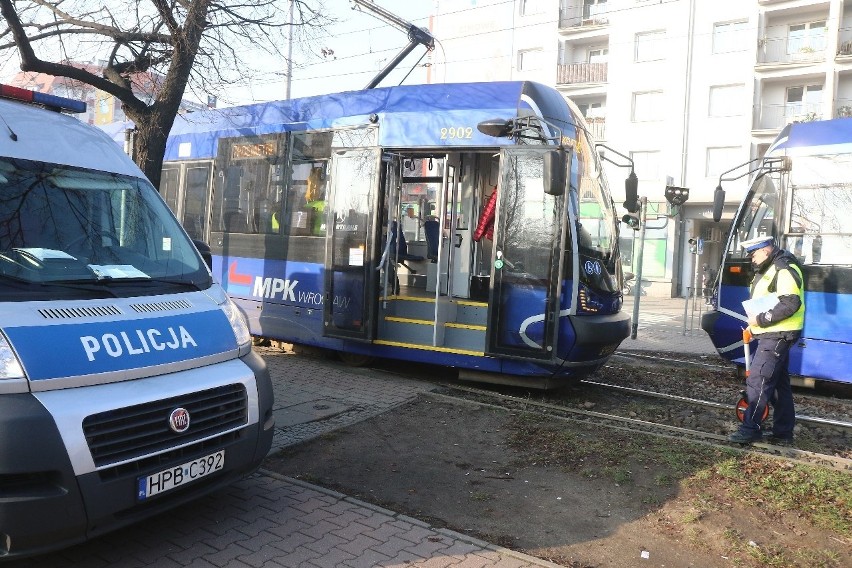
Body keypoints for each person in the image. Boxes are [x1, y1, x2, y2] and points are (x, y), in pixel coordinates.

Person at [728, 235, 805, 445]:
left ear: (766, 250)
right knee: (780, 386)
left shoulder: (783, 268)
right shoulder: (770, 268)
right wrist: (755, 326)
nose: (752, 259)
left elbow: (791, 303)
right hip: (774, 332)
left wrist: (761, 320)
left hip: (778, 333)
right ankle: (783, 433)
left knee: (758, 380)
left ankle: (750, 428)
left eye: (754, 254)